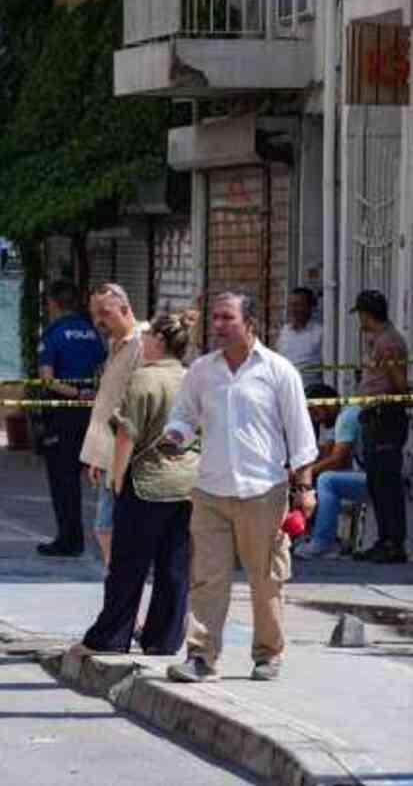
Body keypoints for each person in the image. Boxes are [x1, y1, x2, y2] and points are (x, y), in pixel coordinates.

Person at [161, 291, 318, 683]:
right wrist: (175, 436)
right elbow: (184, 414)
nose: (217, 326)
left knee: (266, 579)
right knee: (207, 577)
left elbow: (300, 437)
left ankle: (268, 654)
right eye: (214, 318)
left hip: (264, 491)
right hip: (211, 490)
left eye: (226, 318)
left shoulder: (278, 371)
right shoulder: (202, 370)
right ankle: (200, 656)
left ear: (250, 323)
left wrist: (305, 488)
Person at [74, 313, 198, 656]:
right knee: (174, 565)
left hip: (146, 482)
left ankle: (113, 634)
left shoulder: (143, 380)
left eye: (147, 338)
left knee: (129, 565)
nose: (142, 342)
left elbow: (128, 434)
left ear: (158, 341)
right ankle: (165, 638)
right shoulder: (192, 379)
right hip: (187, 482)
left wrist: (116, 476)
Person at [35, 281, 107, 557]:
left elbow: (47, 379)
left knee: (63, 479)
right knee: (96, 476)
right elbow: (104, 367)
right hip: (93, 414)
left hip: (64, 413)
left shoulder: (53, 334)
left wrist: (76, 393)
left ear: (53, 304)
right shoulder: (93, 332)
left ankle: (69, 539)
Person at [77, 283, 146, 565]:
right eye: (95, 315)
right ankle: (119, 590)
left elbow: (136, 407)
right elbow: (109, 402)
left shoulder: (143, 344)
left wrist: (119, 458)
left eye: (104, 313)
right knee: (105, 528)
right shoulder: (115, 343)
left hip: (129, 455)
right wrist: (97, 457)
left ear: (126, 309)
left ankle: (124, 594)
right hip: (108, 453)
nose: (98, 322)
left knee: (113, 529)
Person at [351, 290, 409, 563]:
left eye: (361, 315)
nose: (360, 321)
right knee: (376, 481)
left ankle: (393, 542)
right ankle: (384, 539)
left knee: (387, 482)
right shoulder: (378, 340)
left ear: (367, 314)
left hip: (385, 416)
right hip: (374, 415)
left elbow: (398, 383)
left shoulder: (389, 343)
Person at [295, 384, 365, 560]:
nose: (314, 418)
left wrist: (305, 474)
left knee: (327, 480)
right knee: (318, 478)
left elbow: (337, 460)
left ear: (328, 403)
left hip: (374, 478)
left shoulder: (347, 417)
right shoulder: (335, 421)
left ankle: (323, 543)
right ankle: (312, 534)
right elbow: (323, 457)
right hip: (365, 475)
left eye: (315, 411)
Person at [276, 287, 323, 387]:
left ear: (309, 307)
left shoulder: (319, 333)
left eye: (298, 305)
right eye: (291, 305)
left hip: (309, 392)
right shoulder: (285, 332)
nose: (293, 309)